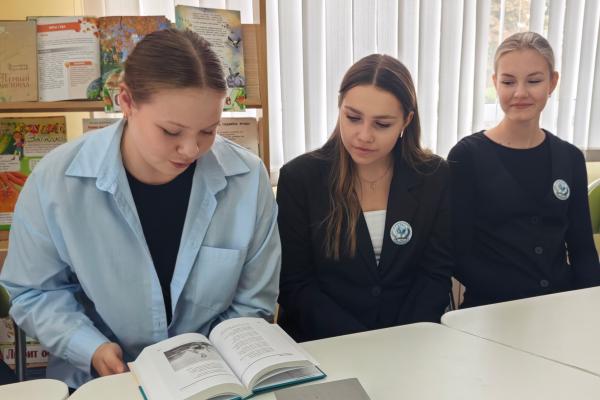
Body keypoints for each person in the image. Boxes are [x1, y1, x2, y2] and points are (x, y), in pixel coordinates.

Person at [0, 29, 280, 388]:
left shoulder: (247, 178)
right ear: (127, 102)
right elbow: (34, 291)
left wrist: (206, 366)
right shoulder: (56, 181)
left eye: (208, 131)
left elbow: (253, 300)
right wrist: (89, 346)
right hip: (100, 381)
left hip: (213, 379)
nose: (191, 150)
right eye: (171, 132)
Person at [276, 54, 453, 342]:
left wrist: (399, 339)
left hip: (409, 342)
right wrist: (363, 343)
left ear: (406, 121)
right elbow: (295, 284)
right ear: (340, 108)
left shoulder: (433, 176)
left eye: (382, 124)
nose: (364, 135)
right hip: (325, 343)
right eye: (353, 118)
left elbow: (435, 273)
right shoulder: (300, 178)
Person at [448, 31, 600, 308]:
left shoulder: (570, 158)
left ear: (552, 82)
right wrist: (518, 301)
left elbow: (583, 251)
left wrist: (590, 308)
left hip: (558, 307)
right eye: (508, 82)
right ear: (495, 83)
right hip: (491, 311)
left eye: (534, 81)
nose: (520, 93)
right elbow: (458, 254)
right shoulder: (467, 156)